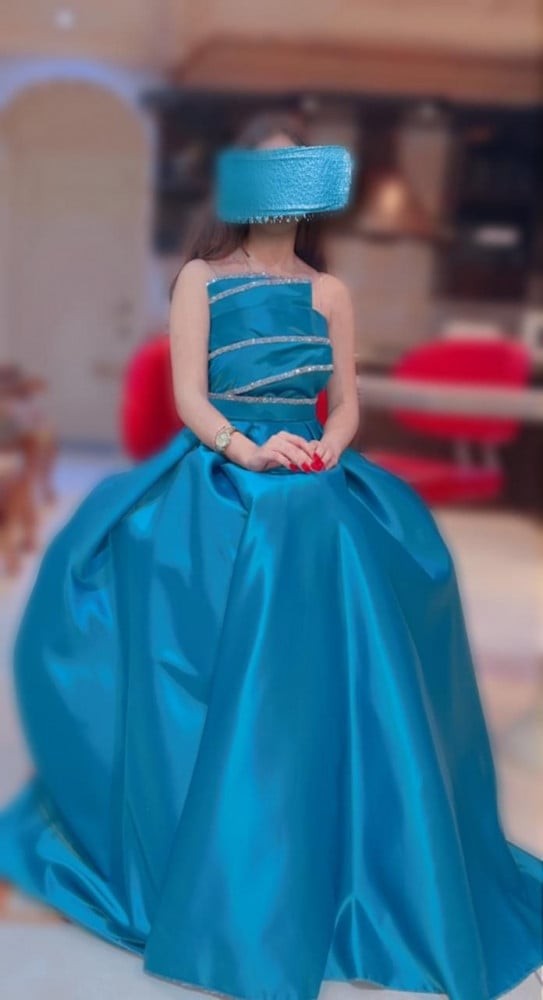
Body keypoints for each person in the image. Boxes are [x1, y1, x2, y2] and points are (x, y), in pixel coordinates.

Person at [0, 110, 542, 1000]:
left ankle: (352, 840)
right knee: (226, 536)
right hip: (223, 465)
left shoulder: (329, 294)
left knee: (364, 539)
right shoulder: (201, 280)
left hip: (310, 464)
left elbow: (346, 403)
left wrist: (327, 445)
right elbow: (190, 397)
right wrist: (246, 451)